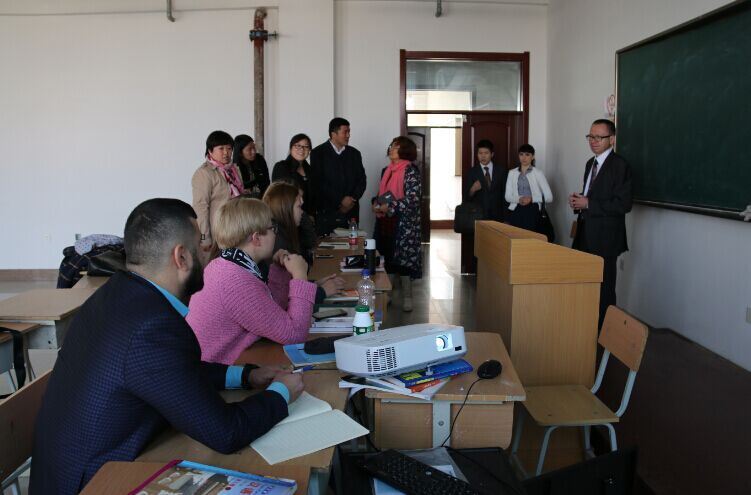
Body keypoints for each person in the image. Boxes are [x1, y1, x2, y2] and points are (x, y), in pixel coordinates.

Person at [29, 199, 303, 494]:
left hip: (74, 467)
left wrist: (246, 375)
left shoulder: (118, 294)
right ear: (181, 257)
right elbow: (226, 433)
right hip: (92, 483)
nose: (208, 250)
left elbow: (171, 371)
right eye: (201, 243)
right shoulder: (152, 326)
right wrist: (282, 392)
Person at [187, 197, 317, 365]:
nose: (275, 233)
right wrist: (300, 276)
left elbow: (271, 316)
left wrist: (279, 271)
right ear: (256, 238)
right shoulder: (235, 281)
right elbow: (295, 335)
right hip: (214, 373)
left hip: (226, 363)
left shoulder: (226, 265)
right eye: (272, 228)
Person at [569, 119, 633, 328]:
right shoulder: (591, 163)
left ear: (612, 139)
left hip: (606, 238)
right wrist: (579, 202)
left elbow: (623, 204)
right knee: (584, 284)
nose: (593, 141)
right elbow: (591, 196)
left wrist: (589, 203)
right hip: (585, 234)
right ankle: (585, 326)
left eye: (599, 137)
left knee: (605, 289)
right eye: (590, 136)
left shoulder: (620, 165)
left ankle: (604, 333)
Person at [263, 181, 345, 303]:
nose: (302, 212)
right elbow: (287, 299)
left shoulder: (282, 233)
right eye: (299, 207)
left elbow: (288, 283)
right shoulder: (277, 241)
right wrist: (322, 291)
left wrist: (314, 284)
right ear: (285, 208)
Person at [372, 136, 422, 312]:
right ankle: (389, 295)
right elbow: (382, 194)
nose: (391, 149)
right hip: (385, 222)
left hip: (404, 224)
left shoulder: (411, 171)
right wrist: (375, 203)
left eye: (396, 147)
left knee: (404, 262)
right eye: (391, 146)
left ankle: (408, 297)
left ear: (405, 151)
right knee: (387, 259)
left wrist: (390, 206)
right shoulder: (386, 170)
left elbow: (413, 200)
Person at [310, 117, 367, 234]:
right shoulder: (318, 153)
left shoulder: (355, 154)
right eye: (345, 132)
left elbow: (362, 180)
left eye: (349, 132)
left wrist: (352, 199)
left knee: (352, 244)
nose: (348, 135)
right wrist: (341, 200)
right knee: (327, 244)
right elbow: (318, 183)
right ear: (333, 134)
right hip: (327, 212)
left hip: (351, 212)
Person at [192, 130, 245, 252]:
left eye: (229, 148)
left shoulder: (233, 169)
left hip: (237, 228)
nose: (226, 153)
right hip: (219, 232)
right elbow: (200, 207)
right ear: (210, 151)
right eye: (221, 148)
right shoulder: (204, 173)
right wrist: (204, 237)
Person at [272, 134, 317, 256]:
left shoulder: (311, 170)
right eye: (298, 146)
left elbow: (316, 195)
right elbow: (282, 197)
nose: (302, 149)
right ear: (291, 147)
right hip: (289, 220)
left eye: (306, 147)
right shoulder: (281, 167)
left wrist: (312, 214)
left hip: (309, 221)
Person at [505, 144, 554, 231]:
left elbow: (549, 197)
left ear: (533, 157)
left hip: (533, 209)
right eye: (521, 154)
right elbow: (507, 197)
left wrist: (531, 199)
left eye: (527, 155)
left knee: (531, 236)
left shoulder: (538, 173)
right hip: (516, 209)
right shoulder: (512, 173)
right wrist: (519, 199)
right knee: (516, 236)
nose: (524, 158)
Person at [464, 139, 508, 222]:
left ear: (492, 154)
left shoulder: (501, 171)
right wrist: (472, 189)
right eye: (480, 153)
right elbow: (466, 198)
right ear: (477, 154)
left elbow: (505, 196)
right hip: (479, 216)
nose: (483, 156)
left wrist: (506, 219)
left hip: (498, 216)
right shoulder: (472, 172)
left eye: (486, 153)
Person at [233, 134, 270, 198]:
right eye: (249, 149)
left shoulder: (260, 160)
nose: (254, 152)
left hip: (262, 197)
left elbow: (266, 181)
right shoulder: (234, 167)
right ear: (240, 152)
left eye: (254, 147)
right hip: (244, 200)